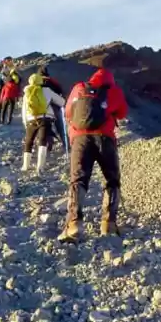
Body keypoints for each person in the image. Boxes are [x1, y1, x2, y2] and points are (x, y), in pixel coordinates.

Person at [58, 68, 128, 242]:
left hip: (80, 139)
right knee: (112, 180)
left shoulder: (79, 88)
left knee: (78, 180)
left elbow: (68, 113)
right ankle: (108, 225)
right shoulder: (114, 91)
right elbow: (123, 113)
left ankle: (74, 224)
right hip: (105, 139)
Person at [21, 74, 65, 173]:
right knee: (42, 142)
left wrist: (25, 122)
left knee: (28, 142)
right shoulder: (47, 91)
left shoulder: (26, 93)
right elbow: (62, 102)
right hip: (45, 118)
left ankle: (25, 166)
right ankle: (40, 167)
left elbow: (24, 110)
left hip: (31, 120)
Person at [36, 65, 65, 152]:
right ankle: (65, 142)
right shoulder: (52, 81)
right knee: (60, 126)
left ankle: (48, 144)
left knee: (45, 126)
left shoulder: (37, 82)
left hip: (42, 108)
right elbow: (60, 91)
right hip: (55, 106)